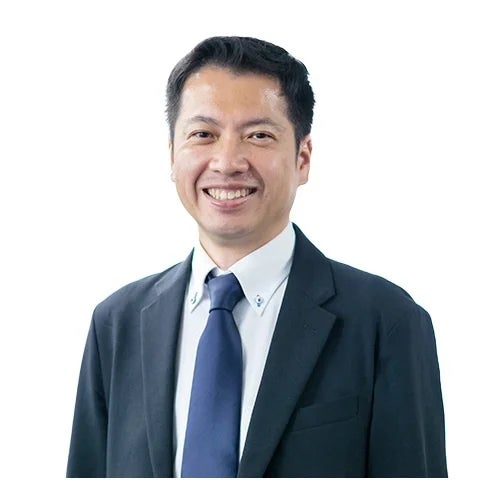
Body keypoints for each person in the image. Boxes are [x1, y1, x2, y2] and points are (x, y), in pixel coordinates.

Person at [66, 36, 447, 478]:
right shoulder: (117, 324)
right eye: (203, 134)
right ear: (172, 154)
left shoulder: (386, 322)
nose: (227, 162)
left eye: (258, 135)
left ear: (302, 158)